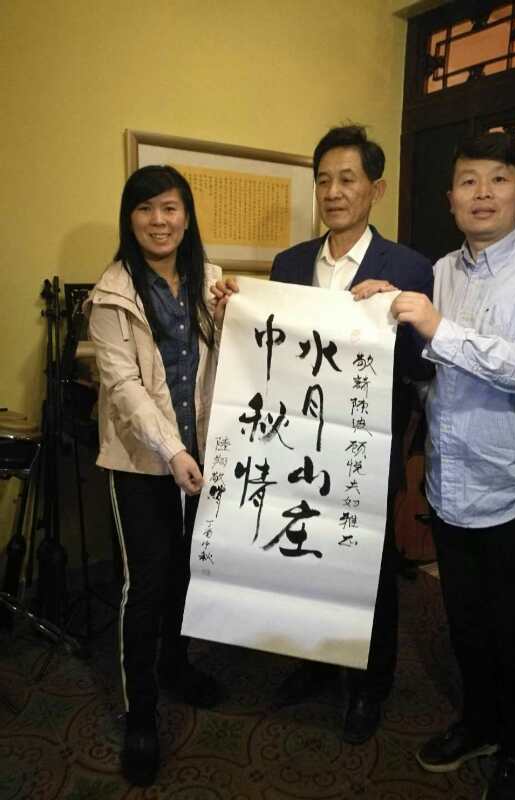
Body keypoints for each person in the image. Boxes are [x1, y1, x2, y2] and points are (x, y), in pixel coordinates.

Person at [214, 124, 433, 743]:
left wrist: (395, 316)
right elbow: (270, 353)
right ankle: (314, 661)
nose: (334, 192)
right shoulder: (289, 264)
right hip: (297, 442)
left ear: (375, 189)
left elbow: (422, 370)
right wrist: (234, 307)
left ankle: (370, 686)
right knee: (303, 552)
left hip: (366, 444)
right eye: (324, 180)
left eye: (348, 179)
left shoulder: (408, 267)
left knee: (369, 567)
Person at [391, 132, 515, 800]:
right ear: (450, 198)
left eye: (498, 179)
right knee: (466, 622)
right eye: (468, 180)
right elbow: (429, 369)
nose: (482, 194)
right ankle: (479, 723)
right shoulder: (440, 271)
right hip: (452, 480)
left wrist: (437, 328)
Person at [86, 165, 231, 786]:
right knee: (145, 585)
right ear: (130, 219)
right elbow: (123, 389)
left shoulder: (210, 281)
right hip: (142, 461)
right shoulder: (113, 293)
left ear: (187, 216)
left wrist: (235, 313)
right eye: (145, 209)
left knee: (189, 572)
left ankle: (176, 664)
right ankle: (140, 713)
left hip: (204, 455)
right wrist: (172, 450)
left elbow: (241, 356)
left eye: (170, 208)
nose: (159, 221)